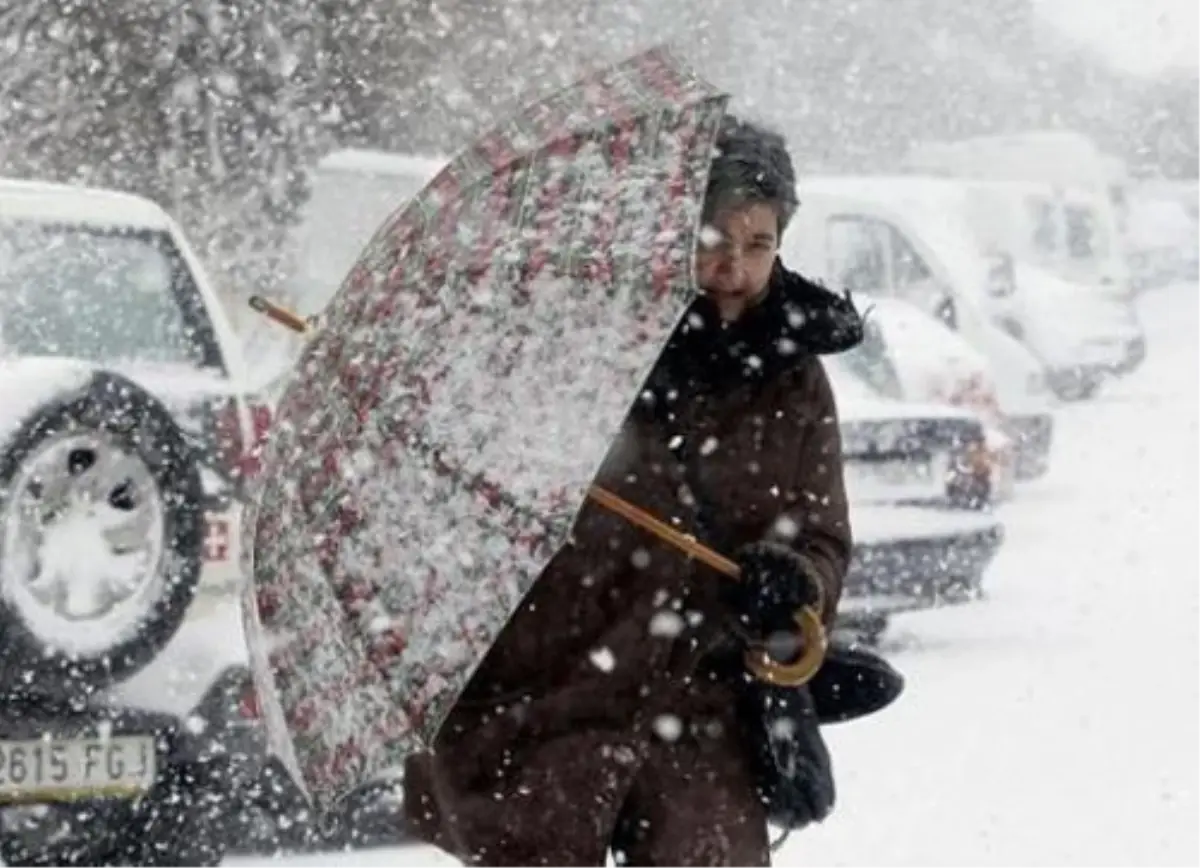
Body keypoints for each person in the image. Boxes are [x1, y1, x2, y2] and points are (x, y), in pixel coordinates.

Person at [403, 115, 865, 867]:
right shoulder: (585, 347)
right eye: (717, 242)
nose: (737, 270)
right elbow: (498, 496)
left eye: (760, 245)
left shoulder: (795, 376)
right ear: (676, 234)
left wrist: (795, 584)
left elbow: (822, 533)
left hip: (704, 700)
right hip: (561, 686)